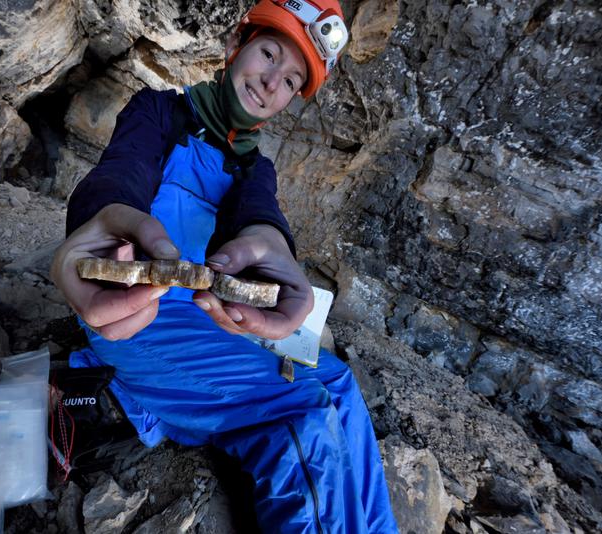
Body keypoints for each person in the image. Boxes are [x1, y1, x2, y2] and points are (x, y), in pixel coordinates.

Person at [51, 0, 398, 531]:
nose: (270, 82)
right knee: (301, 408)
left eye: (290, 81)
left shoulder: (253, 167)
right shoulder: (159, 113)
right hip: (137, 317)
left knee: (341, 385)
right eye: (268, 54)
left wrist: (271, 247)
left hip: (207, 319)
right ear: (236, 46)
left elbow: (259, 218)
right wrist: (106, 220)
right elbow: (123, 171)